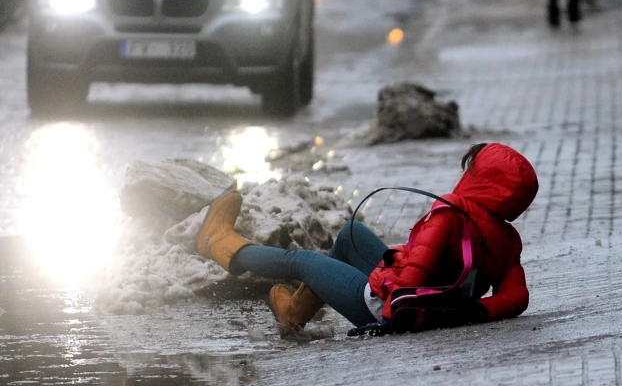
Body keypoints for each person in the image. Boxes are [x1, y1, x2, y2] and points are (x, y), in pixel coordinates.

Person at [195, 143, 539, 337]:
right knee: (350, 234)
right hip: (418, 303)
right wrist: (474, 311)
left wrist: (391, 317)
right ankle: (293, 312)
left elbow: (418, 269)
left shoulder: (452, 212)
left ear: (478, 178)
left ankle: (220, 243)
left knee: (301, 262)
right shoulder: (508, 241)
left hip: (383, 304)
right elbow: (516, 296)